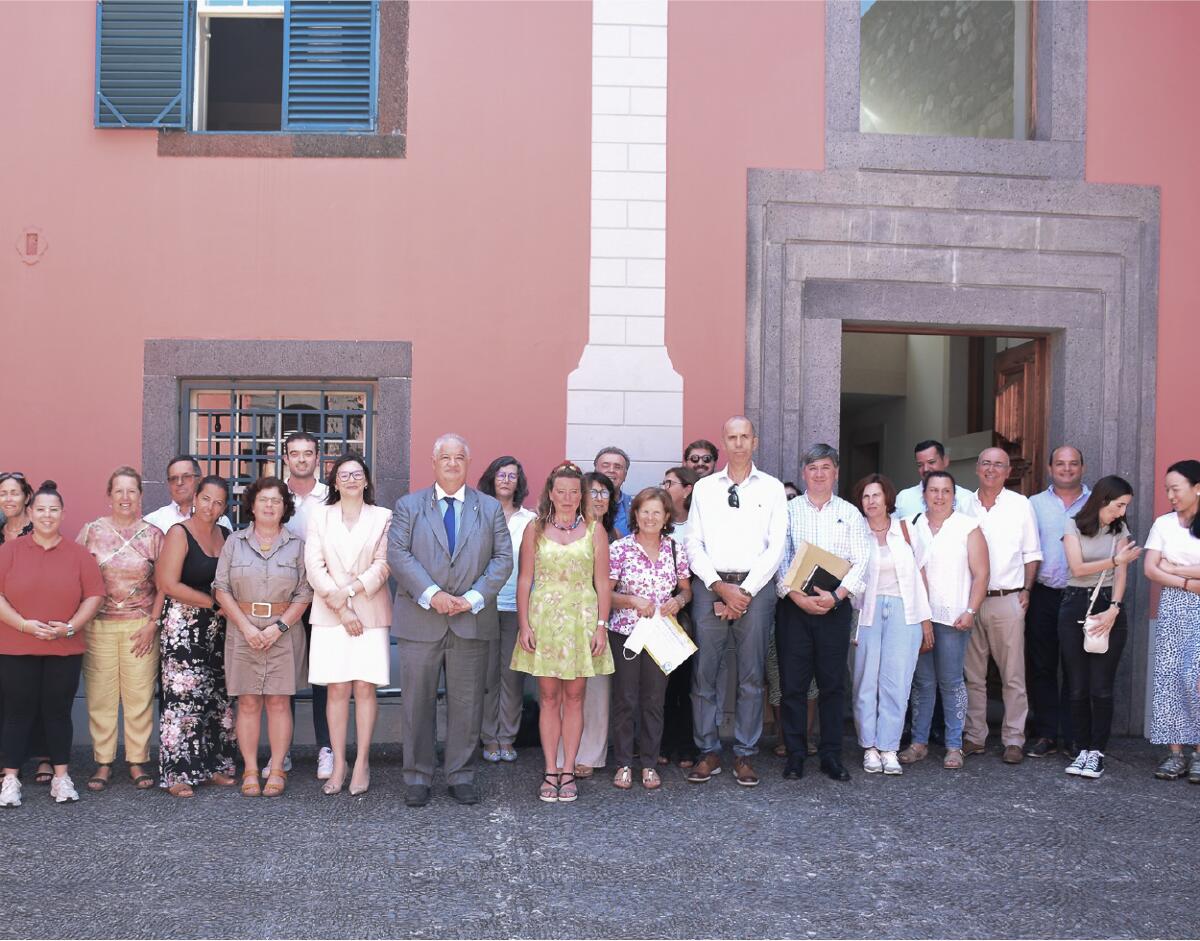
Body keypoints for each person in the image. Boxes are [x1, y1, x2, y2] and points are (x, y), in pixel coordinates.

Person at [387, 434, 512, 808]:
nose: (453, 463)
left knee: (468, 704)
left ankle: (461, 775)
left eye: (459, 457)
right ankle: (417, 776)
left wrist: (472, 599)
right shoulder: (409, 506)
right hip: (420, 619)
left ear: (468, 463)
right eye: (446, 457)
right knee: (416, 704)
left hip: (470, 620)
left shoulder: (488, 508)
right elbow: (398, 554)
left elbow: (503, 559)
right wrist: (433, 595)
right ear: (434, 461)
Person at [685, 417, 788, 788]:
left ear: (755, 442)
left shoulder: (773, 489)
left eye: (745, 436)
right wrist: (716, 584)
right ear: (724, 443)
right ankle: (708, 751)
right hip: (710, 585)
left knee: (750, 677)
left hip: (755, 590)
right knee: (704, 675)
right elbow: (693, 542)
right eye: (732, 437)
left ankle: (745, 754)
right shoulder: (705, 489)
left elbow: (776, 547)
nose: (739, 443)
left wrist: (743, 591)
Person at [511, 463, 613, 803]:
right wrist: (524, 624)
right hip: (545, 620)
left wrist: (601, 626)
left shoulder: (595, 530)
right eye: (561, 491)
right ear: (550, 494)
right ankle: (550, 769)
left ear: (580, 495)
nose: (568, 498)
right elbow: (525, 579)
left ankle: (569, 769)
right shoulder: (534, 529)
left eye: (574, 492)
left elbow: (602, 583)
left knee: (575, 697)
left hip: (582, 621)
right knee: (549, 698)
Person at [0, 481, 105, 807]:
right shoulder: (9, 550)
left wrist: (70, 627)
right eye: (41, 510)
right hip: (16, 645)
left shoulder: (78, 554)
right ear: (30, 512)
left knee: (58, 713)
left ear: (62, 514)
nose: (47, 515)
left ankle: (61, 777)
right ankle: (11, 779)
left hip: (64, 648)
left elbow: (95, 596)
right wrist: (24, 625)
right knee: (16, 713)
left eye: (54, 510)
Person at [213, 477, 314, 798]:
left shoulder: (298, 545)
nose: (270, 505)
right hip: (242, 630)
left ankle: (278, 768)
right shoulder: (235, 543)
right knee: (248, 702)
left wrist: (278, 628)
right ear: (252, 505)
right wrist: (245, 627)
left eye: (276, 500)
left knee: (279, 701)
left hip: (283, 631)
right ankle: (251, 770)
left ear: (285, 508)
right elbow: (221, 588)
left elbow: (305, 592)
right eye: (263, 500)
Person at [775, 445, 871, 782]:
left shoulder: (850, 513)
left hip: (835, 609)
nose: (818, 474)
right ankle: (795, 755)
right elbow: (779, 558)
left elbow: (862, 560)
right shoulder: (787, 511)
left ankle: (832, 756)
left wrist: (838, 595)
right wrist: (795, 596)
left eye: (825, 467)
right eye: (812, 467)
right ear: (804, 473)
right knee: (793, 686)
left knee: (832, 686)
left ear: (836, 472)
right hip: (794, 610)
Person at [305, 454, 392, 797]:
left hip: (370, 612)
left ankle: (362, 762)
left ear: (367, 481)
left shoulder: (383, 517)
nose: (352, 479)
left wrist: (351, 592)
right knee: (337, 689)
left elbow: (384, 565)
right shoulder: (320, 516)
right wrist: (341, 607)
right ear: (335, 482)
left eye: (358, 474)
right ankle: (339, 762)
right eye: (344, 475)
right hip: (330, 616)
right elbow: (313, 566)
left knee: (365, 688)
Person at [76, 467, 164, 793]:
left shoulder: (154, 535)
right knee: (101, 695)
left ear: (140, 496)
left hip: (140, 626)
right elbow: (77, 577)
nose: (125, 498)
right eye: (119, 491)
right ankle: (103, 761)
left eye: (132, 491)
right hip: (98, 625)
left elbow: (164, 585)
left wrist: (153, 624)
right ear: (109, 496)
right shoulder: (91, 532)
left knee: (139, 695)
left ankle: (137, 760)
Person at [156, 475, 238, 798]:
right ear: (196, 497)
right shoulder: (179, 533)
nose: (210, 507)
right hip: (184, 626)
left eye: (218, 502)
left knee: (217, 697)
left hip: (219, 627)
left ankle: (215, 765)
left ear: (224, 507)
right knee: (182, 699)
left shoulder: (227, 535)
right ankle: (178, 772)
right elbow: (167, 583)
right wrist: (213, 602)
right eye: (206, 499)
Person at [902, 471, 989, 769]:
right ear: (924, 493)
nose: (939, 496)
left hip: (954, 619)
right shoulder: (912, 525)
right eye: (934, 490)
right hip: (918, 617)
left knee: (952, 682)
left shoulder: (968, 527)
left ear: (955, 495)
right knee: (922, 682)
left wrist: (971, 611)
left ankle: (954, 745)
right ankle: (919, 742)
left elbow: (981, 574)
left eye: (946, 491)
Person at [1059, 475, 1142, 779]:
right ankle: (1081, 749)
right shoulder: (1073, 524)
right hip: (1074, 603)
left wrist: (1114, 610)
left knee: (1101, 687)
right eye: (1120, 504)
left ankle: (1096, 752)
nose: (1122, 511)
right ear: (1104, 499)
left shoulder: (1121, 529)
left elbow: (1122, 575)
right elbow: (1077, 568)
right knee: (1078, 685)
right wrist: (1114, 561)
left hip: (1108, 603)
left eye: (1126, 506)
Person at [608, 488, 691, 790]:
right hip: (626, 634)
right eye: (645, 511)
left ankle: (650, 765)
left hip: (661, 634)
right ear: (636, 514)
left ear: (667, 516)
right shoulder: (620, 548)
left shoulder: (675, 550)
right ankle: (624, 764)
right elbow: (606, 593)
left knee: (655, 700)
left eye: (657, 512)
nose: (650, 517)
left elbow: (686, 589)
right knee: (625, 699)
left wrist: (678, 603)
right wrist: (632, 600)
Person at [850, 474, 933, 776]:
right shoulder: (856, 532)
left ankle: (889, 747)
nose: (871, 502)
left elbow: (921, 575)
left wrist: (926, 620)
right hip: (867, 611)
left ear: (887, 498)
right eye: (865, 497)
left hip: (904, 611)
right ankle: (869, 747)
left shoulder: (907, 530)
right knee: (865, 682)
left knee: (896, 683)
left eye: (876, 495)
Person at [964, 448, 1042, 764]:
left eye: (998, 464)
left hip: (1006, 598)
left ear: (1008, 471)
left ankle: (1013, 739)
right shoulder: (963, 504)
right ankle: (974, 736)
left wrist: (1026, 589)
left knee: (1012, 676)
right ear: (976, 468)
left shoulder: (1020, 505)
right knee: (972, 675)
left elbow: (1031, 554)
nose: (991, 469)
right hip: (970, 600)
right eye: (986, 463)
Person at [1025, 446, 1090, 758]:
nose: (1067, 469)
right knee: (1042, 666)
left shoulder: (1098, 503)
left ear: (1082, 467)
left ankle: (1074, 735)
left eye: (1073, 464)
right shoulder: (1033, 504)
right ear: (1050, 468)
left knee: (1077, 667)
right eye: (1060, 464)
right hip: (1044, 594)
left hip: (1082, 596)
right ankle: (1046, 733)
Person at [1143, 459, 1200, 782]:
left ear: (1197, 488)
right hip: (1174, 605)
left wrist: (1173, 567)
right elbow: (1151, 568)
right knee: (1169, 677)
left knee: (1196, 676)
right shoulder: (1164, 524)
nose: (1171, 495)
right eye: (1168, 490)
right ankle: (1175, 753)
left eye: (1176, 489)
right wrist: (1188, 580)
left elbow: (1162, 567)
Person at [280, 431, 333, 781]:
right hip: (281, 601)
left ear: (318, 457)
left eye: (308, 453)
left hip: (322, 599)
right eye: (295, 453)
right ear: (285, 458)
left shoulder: (330, 496)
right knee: (281, 676)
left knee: (322, 679)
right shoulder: (272, 493)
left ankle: (325, 749)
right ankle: (280, 751)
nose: (301, 459)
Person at [477, 456, 536, 763]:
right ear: (491, 478)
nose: (505, 480)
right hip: (483, 604)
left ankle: (507, 738)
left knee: (513, 676)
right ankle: (488, 738)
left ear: (519, 482)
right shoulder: (478, 513)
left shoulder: (530, 519)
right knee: (487, 677)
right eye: (501, 474)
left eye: (512, 475)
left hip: (517, 606)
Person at [0, 471, 51, 785]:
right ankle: (7, 758)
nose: (8, 499)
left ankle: (46, 755)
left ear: (26, 497)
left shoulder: (39, 531)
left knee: (40, 690)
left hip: (33, 622)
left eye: (14, 493)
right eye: (3, 493)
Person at [569, 471, 618, 778]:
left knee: (597, 689)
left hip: (602, 620)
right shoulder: (565, 529)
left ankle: (590, 754)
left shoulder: (613, 535)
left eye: (605, 493)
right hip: (567, 617)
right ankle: (563, 752)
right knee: (565, 688)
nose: (600, 499)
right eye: (594, 492)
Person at [660, 466, 698, 767]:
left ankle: (686, 744)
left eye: (670, 482)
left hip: (689, 607)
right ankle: (662, 742)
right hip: (661, 608)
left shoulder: (699, 524)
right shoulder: (661, 524)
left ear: (687, 489)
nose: (664, 486)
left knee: (686, 681)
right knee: (661, 681)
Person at [144, 454, 232, 533]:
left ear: (200, 479)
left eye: (186, 477)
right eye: (174, 478)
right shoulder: (153, 521)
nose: (179, 482)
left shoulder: (219, 520)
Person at [893, 440, 979, 519]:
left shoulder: (966, 498)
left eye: (931, 462)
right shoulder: (903, 498)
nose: (925, 469)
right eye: (920, 465)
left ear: (945, 461)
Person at [594, 447, 633, 537]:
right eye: (605, 465)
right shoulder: (579, 504)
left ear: (625, 475)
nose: (611, 470)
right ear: (595, 471)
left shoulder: (635, 507)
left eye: (617, 467)